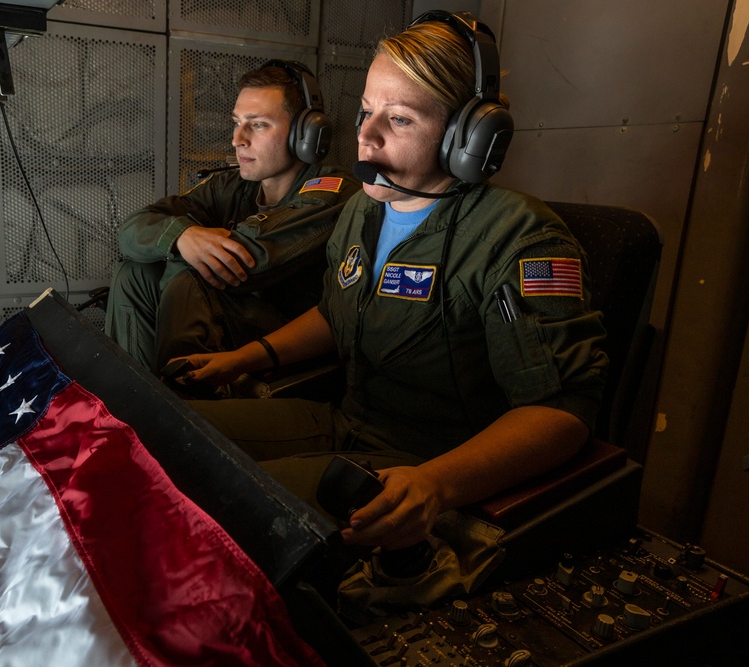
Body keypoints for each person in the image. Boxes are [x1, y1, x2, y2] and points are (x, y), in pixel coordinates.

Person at [174, 11, 609, 595]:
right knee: (165, 440)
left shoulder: (519, 238)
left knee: (213, 510)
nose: (367, 135)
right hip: (345, 422)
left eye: (399, 118)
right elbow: (337, 313)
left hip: (424, 462)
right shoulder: (364, 208)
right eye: (366, 111)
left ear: (467, 140)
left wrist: (435, 485)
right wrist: (246, 359)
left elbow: (563, 415)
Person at [104, 61, 360, 374]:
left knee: (191, 275)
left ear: (304, 134)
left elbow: (243, 262)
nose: (237, 138)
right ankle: (134, 397)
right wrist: (182, 236)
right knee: (136, 272)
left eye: (258, 124)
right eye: (236, 122)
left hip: (288, 351)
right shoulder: (233, 186)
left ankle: (183, 404)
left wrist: (182, 247)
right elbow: (133, 229)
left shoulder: (333, 191)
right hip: (235, 325)